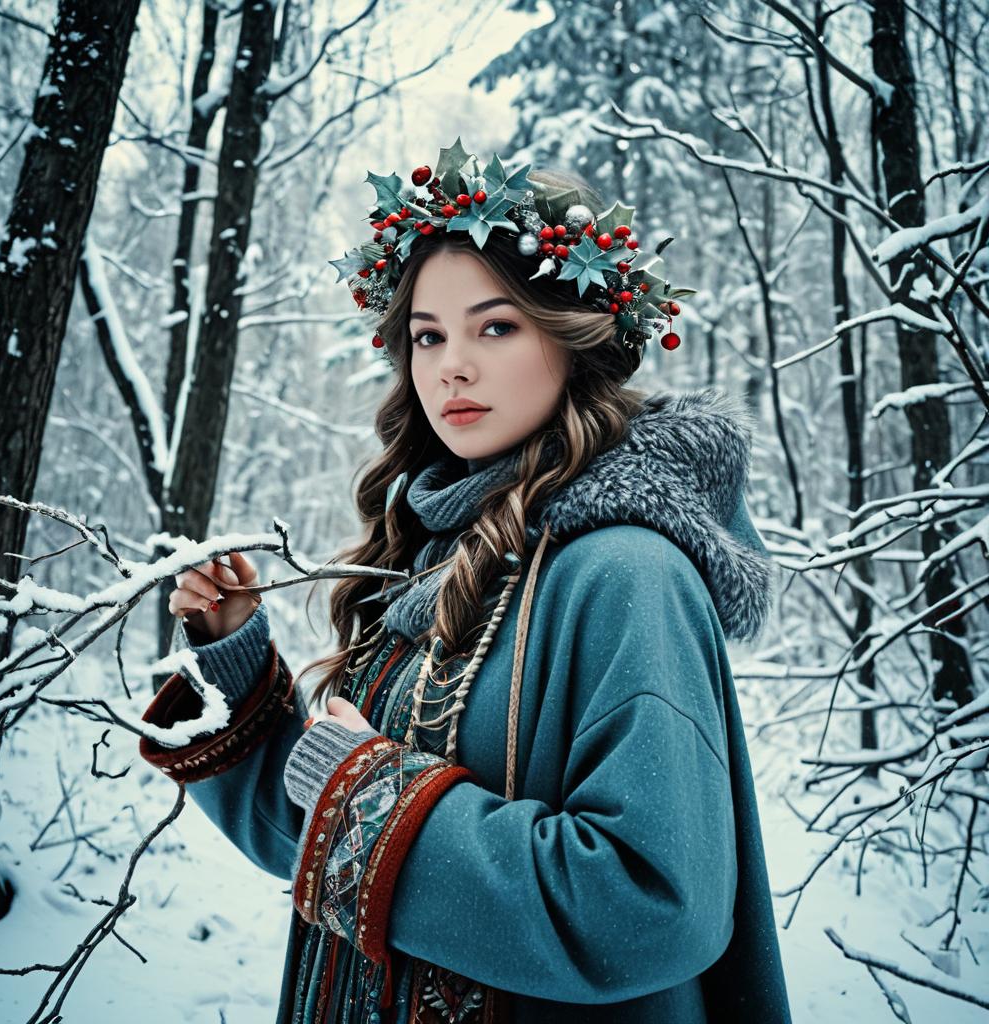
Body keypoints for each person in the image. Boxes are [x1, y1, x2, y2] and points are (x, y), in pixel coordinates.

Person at [139, 142, 793, 1024]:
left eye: (496, 326)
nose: (452, 364)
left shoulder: (625, 574)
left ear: (574, 341)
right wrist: (233, 659)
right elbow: (320, 837)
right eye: (428, 335)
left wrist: (369, 795)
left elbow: (648, 905)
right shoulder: (431, 558)